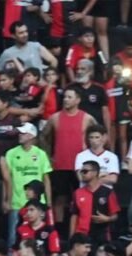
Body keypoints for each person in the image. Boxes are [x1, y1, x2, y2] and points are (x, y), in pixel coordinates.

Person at [40, 88, 96, 226]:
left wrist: (92, 156)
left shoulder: (87, 118)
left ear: (77, 100)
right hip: (60, 165)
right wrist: (48, 156)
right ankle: (58, 229)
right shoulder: (55, 117)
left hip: (80, 166)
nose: (66, 99)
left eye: (69, 97)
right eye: (65, 97)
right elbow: (43, 137)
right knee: (59, 198)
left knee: (82, 197)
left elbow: (99, 136)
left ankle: (83, 226)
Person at [4, 123, 52, 244]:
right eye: (20, 132)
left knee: (40, 236)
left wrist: (48, 200)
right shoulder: (11, 153)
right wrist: (6, 200)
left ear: (31, 136)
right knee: (13, 237)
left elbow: (46, 178)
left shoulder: (41, 154)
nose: (20, 135)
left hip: (38, 203)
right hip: (17, 202)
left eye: (23, 133)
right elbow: (7, 179)